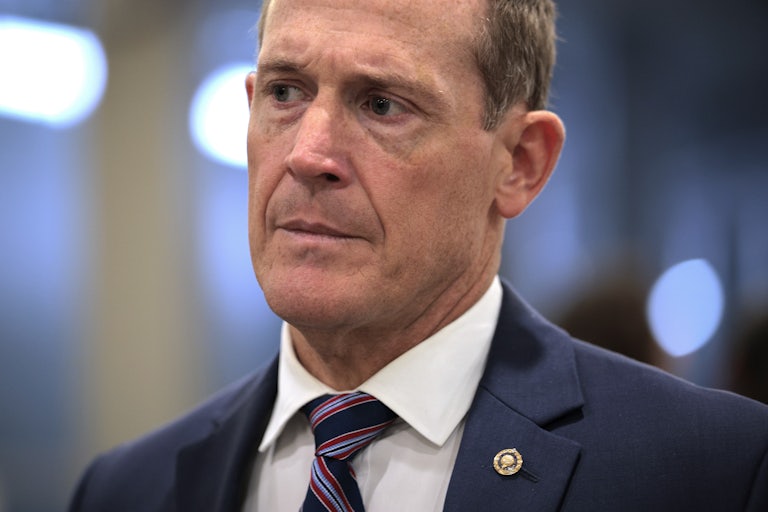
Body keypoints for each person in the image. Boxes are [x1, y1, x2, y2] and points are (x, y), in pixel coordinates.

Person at [68, 0, 768, 510]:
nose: (308, 154)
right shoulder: (125, 489)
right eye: (285, 92)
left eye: (381, 105)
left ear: (520, 163)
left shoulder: (713, 472)